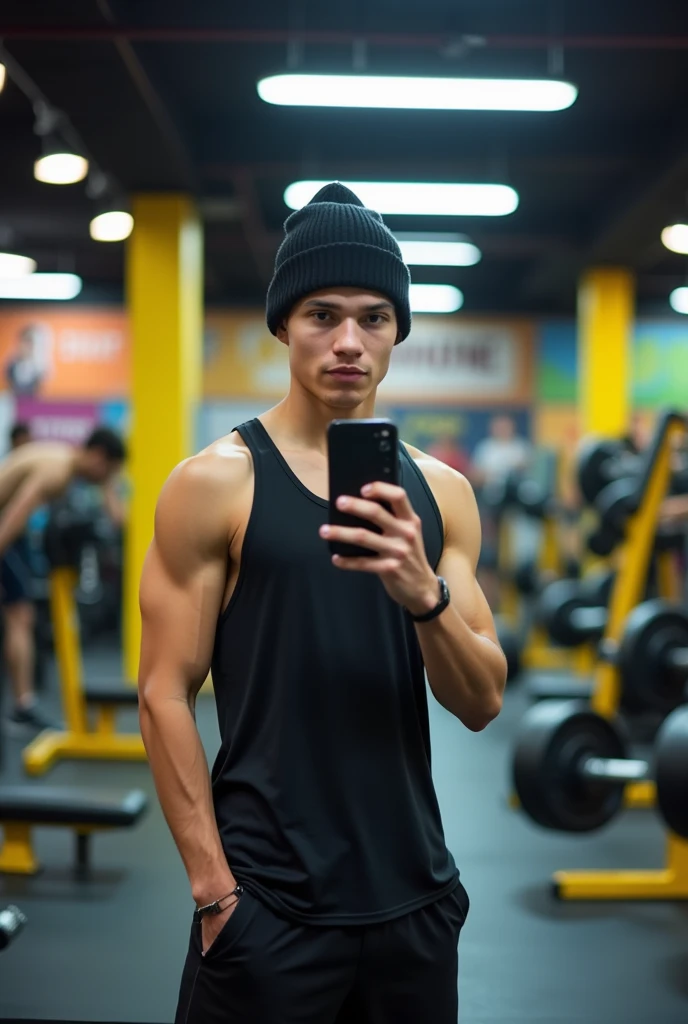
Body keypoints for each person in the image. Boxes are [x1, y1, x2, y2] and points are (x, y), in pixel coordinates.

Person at [139, 182, 507, 1024]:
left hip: (415, 900)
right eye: (322, 314)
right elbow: (164, 691)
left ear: (398, 332)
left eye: (375, 317)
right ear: (283, 325)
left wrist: (424, 593)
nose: (349, 341)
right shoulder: (214, 484)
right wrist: (214, 892)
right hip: (267, 908)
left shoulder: (443, 494)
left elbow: (482, 699)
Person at [0, 426, 126, 732]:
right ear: (98, 457)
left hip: (11, 534)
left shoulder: (63, 458)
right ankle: (22, 706)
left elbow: (118, 518)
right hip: (5, 531)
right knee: (21, 616)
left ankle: (22, 704)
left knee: (20, 617)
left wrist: (109, 485)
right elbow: (19, 509)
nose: (105, 479)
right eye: (108, 471)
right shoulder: (57, 472)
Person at [5, 325, 47, 397]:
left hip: (31, 404)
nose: (27, 347)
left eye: (30, 343)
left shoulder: (38, 368)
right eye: (24, 342)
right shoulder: (11, 365)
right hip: (15, 402)